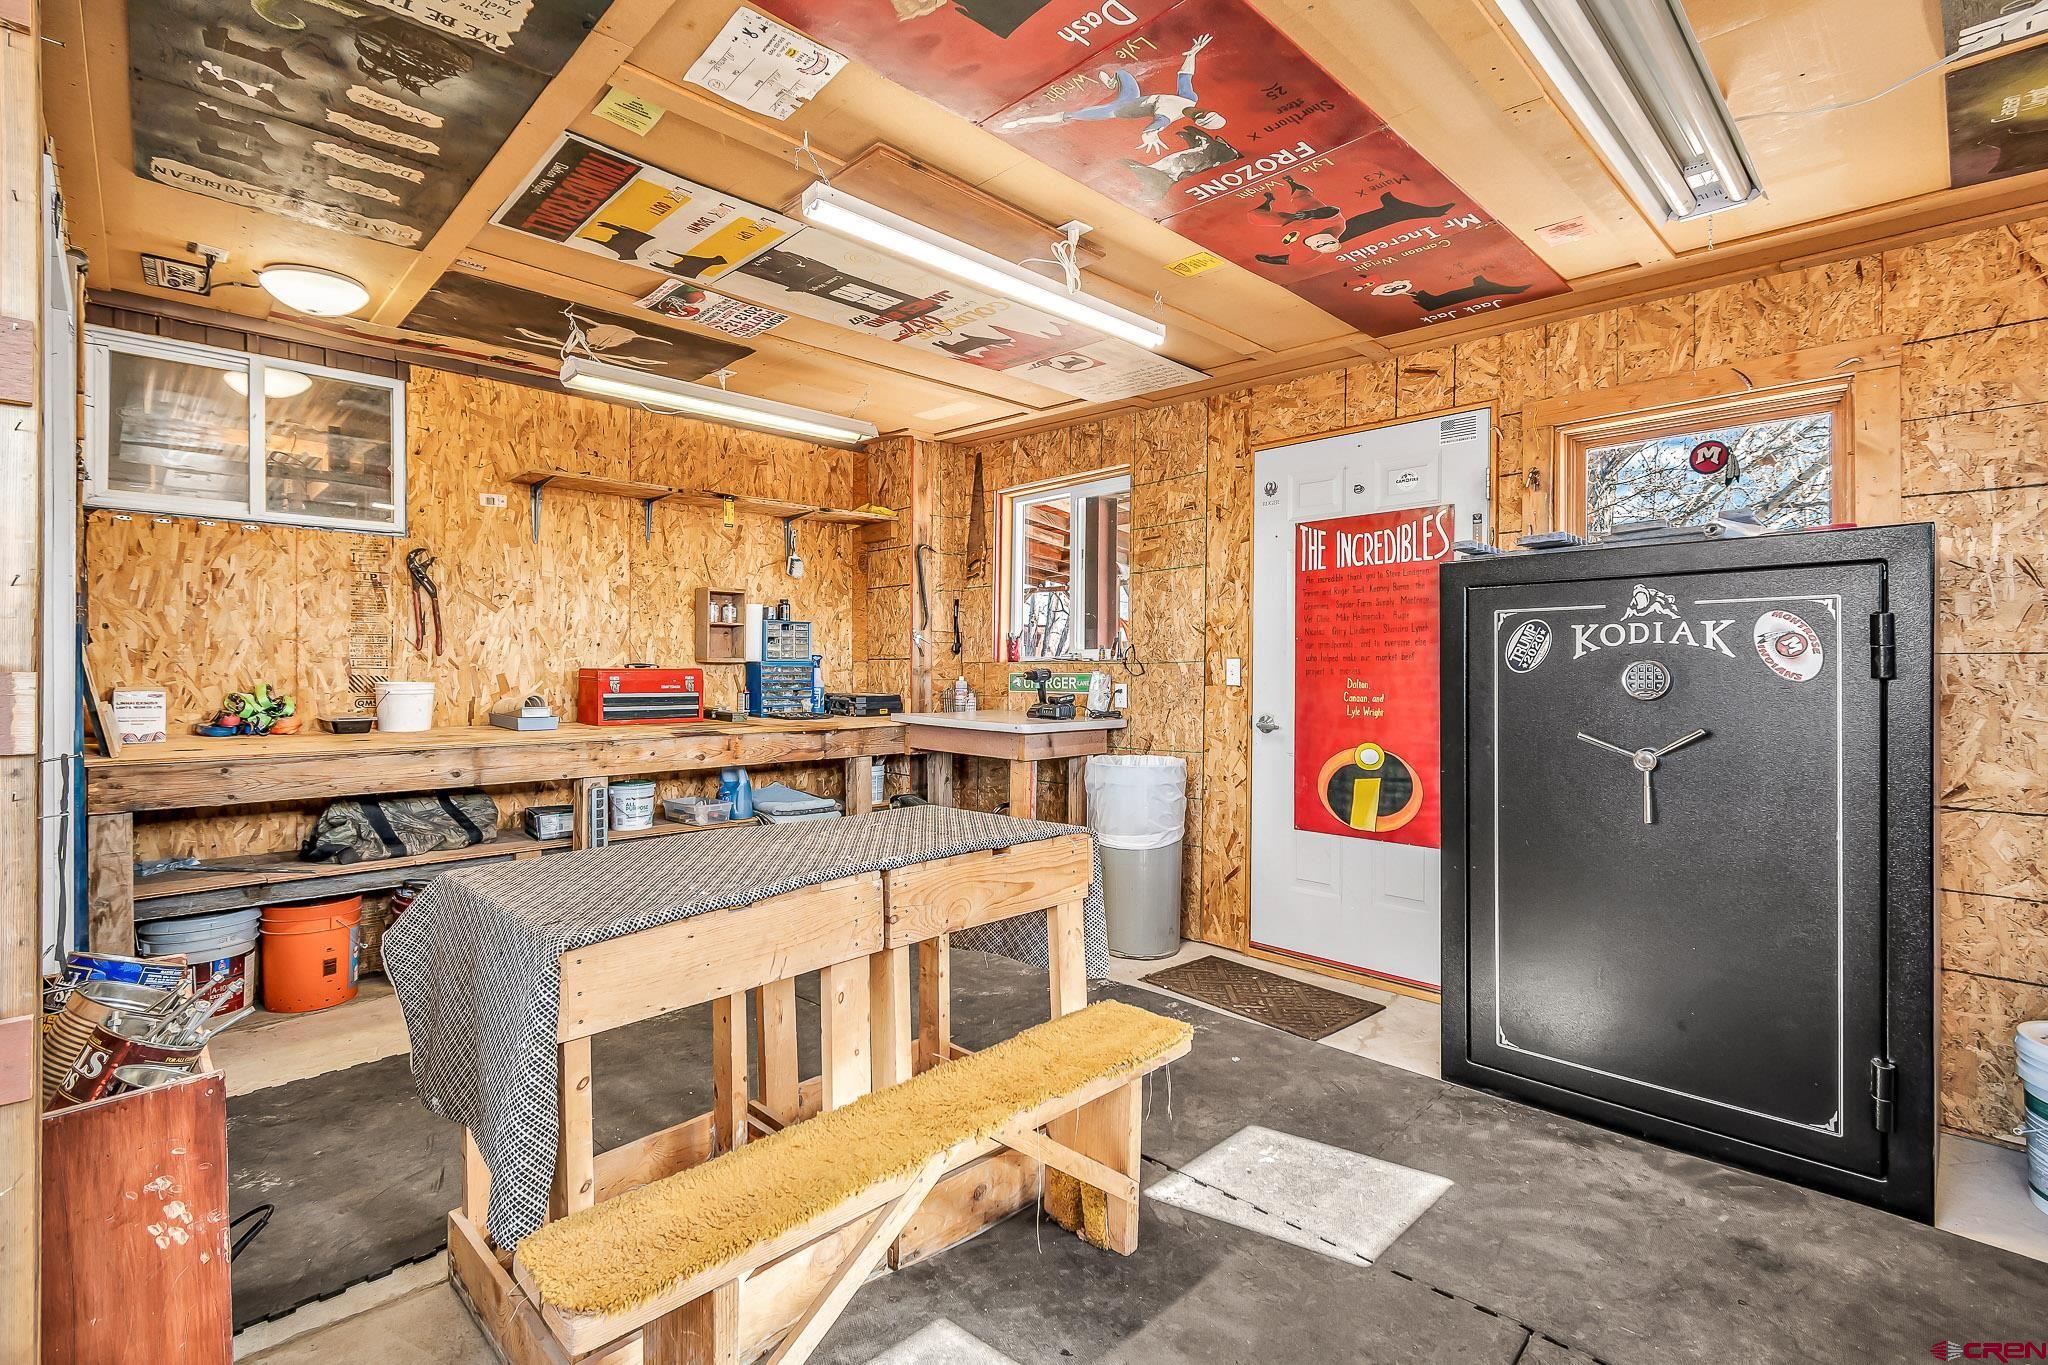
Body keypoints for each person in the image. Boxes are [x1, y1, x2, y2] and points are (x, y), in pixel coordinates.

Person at [1006, 35, 1222, 155]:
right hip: (1131, 97)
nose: (1199, 112)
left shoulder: (1167, 115)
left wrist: (1151, 136)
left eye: (1200, 117)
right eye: (1204, 112)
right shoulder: (1189, 98)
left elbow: (1152, 127)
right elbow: (1185, 75)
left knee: (1070, 115)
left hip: (1116, 110)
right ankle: (1112, 83)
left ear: (1198, 120)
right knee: (1122, 72)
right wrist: (1192, 53)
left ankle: (1021, 121)